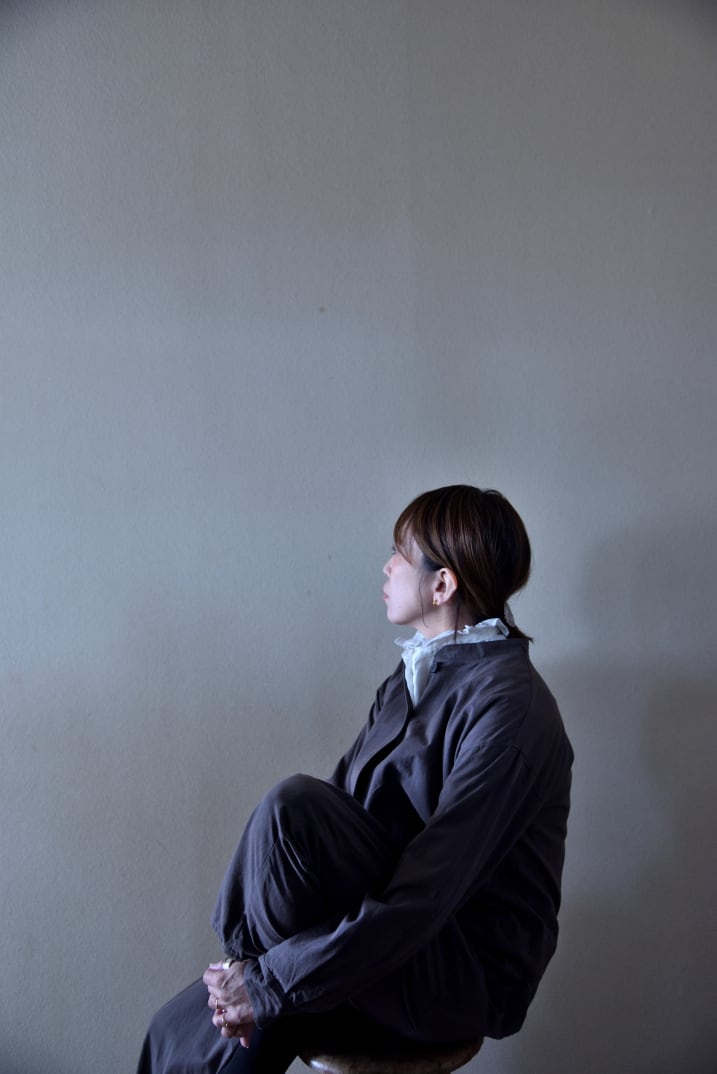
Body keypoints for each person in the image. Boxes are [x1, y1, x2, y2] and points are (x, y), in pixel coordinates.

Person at [137, 485, 573, 1074]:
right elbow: (337, 819)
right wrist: (254, 972)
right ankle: (247, 967)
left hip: (457, 969)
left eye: (400, 553)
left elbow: (428, 891)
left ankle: (254, 977)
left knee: (293, 810)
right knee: (171, 1033)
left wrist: (266, 985)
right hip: (382, 940)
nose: (387, 567)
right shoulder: (413, 675)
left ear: (442, 585)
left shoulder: (510, 708)